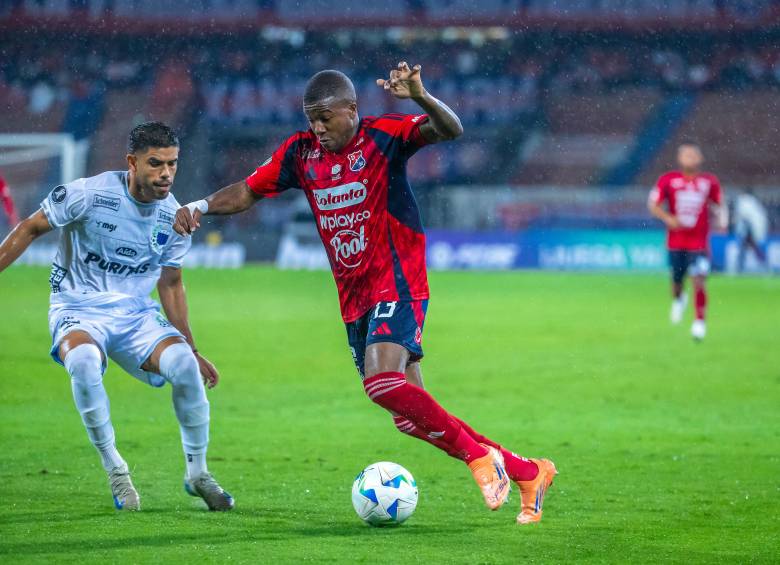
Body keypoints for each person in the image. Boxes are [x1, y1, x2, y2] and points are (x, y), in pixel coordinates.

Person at [174, 64, 557, 524]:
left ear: (352, 110)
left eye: (325, 118)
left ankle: (479, 458)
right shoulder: (301, 154)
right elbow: (248, 191)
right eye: (311, 118)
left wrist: (420, 95)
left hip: (398, 280)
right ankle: (528, 471)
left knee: (381, 382)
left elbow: (449, 130)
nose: (318, 127)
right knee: (407, 415)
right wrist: (198, 206)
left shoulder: (382, 136)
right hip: (354, 296)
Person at [0, 122, 233, 511]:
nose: (165, 174)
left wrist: (192, 347)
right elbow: (29, 228)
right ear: (132, 162)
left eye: (172, 164)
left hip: (136, 314)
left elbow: (171, 284)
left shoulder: (175, 217)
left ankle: (197, 473)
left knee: (184, 367)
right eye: (155, 163)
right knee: (85, 362)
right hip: (77, 307)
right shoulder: (88, 195)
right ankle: (116, 470)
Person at [648, 142, 728, 340]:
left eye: (693, 155)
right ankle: (679, 298)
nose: (689, 158)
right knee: (676, 282)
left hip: (699, 243)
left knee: (698, 279)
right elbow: (653, 204)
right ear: (679, 158)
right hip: (675, 242)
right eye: (686, 155)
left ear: (700, 159)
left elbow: (720, 205)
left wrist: (722, 221)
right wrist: (668, 218)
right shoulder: (668, 180)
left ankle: (699, 322)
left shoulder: (709, 182)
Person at [732, 189, 768, 272]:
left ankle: (739, 267)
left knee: (745, 247)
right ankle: (763, 264)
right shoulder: (754, 202)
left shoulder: (743, 201)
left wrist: (744, 230)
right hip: (754, 228)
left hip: (748, 228)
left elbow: (744, 216)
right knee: (751, 248)